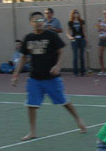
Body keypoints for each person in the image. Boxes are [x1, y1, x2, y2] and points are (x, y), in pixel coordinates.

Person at [12, 11, 87, 141]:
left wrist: (57, 66)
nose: (39, 22)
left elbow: (61, 51)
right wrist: (15, 74)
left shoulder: (51, 35)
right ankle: (32, 132)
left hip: (51, 78)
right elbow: (23, 57)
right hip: (34, 78)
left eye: (41, 20)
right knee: (31, 105)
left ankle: (78, 119)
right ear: (31, 23)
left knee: (64, 101)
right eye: (36, 20)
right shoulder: (28, 38)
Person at [67, 9, 87, 77]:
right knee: (75, 56)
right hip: (74, 39)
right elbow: (68, 32)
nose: (76, 14)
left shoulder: (81, 21)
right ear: (72, 14)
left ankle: (82, 72)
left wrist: (86, 40)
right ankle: (75, 72)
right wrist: (70, 37)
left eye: (77, 13)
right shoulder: (70, 22)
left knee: (81, 56)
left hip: (81, 39)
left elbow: (84, 31)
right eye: (75, 13)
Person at [96, 10, 106, 75]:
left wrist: (102, 28)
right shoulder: (101, 21)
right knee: (100, 55)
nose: (105, 14)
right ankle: (102, 70)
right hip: (101, 38)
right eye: (104, 13)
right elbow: (99, 30)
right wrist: (99, 27)